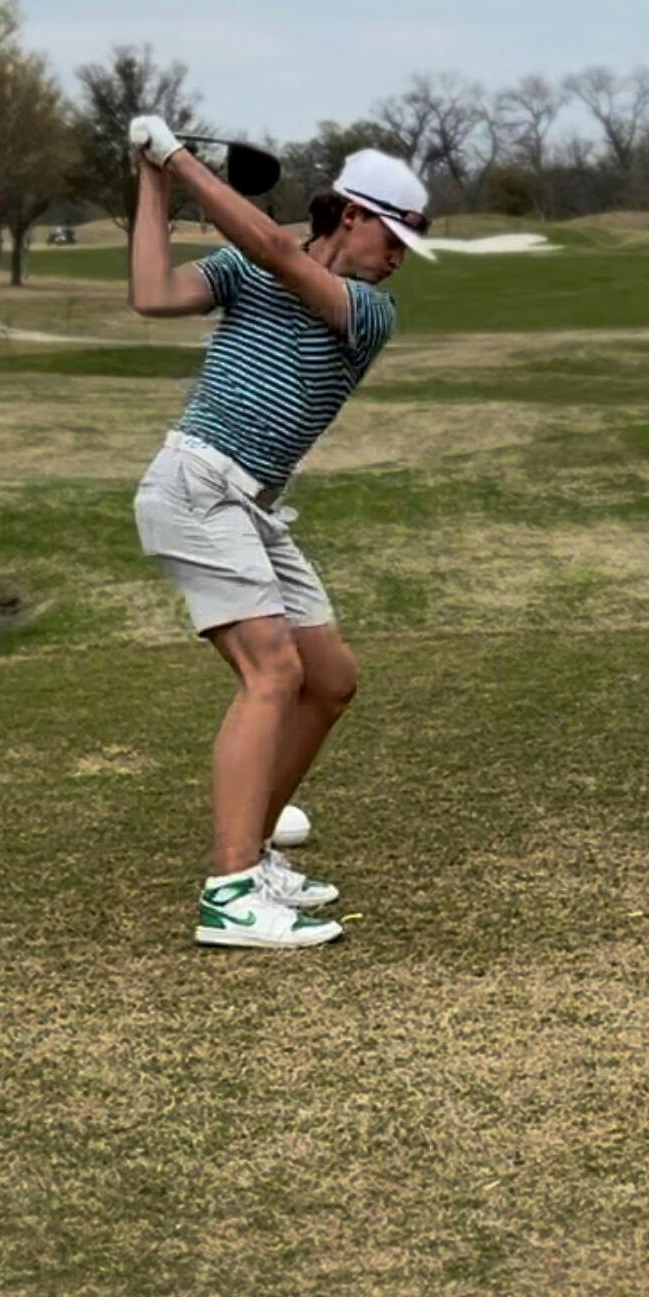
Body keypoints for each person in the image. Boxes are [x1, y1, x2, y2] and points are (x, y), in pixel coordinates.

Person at [127, 115, 434, 949]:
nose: (399, 257)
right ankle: (230, 894)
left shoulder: (368, 311)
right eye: (394, 237)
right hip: (196, 485)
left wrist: (174, 156)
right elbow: (152, 293)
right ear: (353, 215)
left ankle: (252, 853)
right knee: (273, 672)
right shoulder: (246, 271)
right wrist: (151, 179)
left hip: (252, 506)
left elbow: (273, 249)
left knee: (328, 679)